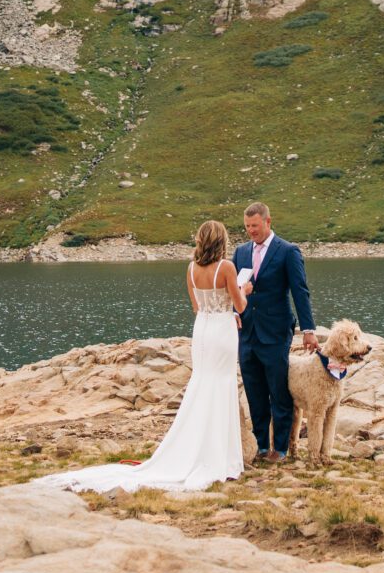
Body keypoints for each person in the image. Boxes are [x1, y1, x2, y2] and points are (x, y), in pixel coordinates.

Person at [33, 219, 248, 492]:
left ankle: (198, 449)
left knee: (203, 383)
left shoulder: (192, 268)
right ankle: (220, 457)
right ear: (221, 241)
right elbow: (240, 305)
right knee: (221, 384)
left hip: (203, 330)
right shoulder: (226, 267)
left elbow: (197, 307)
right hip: (222, 332)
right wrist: (244, 290)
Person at [233, 201, 317, 462]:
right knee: (254, 390)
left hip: (276, 331)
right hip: (247, 331)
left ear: (268, 222)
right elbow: (236, 289)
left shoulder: (288, 251)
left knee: (278, 390)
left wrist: (309, 330)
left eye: (255, 226)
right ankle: (259, 445)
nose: (251, 232)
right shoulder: (240, 252)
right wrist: (235, 313)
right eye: (247, 227)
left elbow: (300, 291)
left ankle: (280, 448)